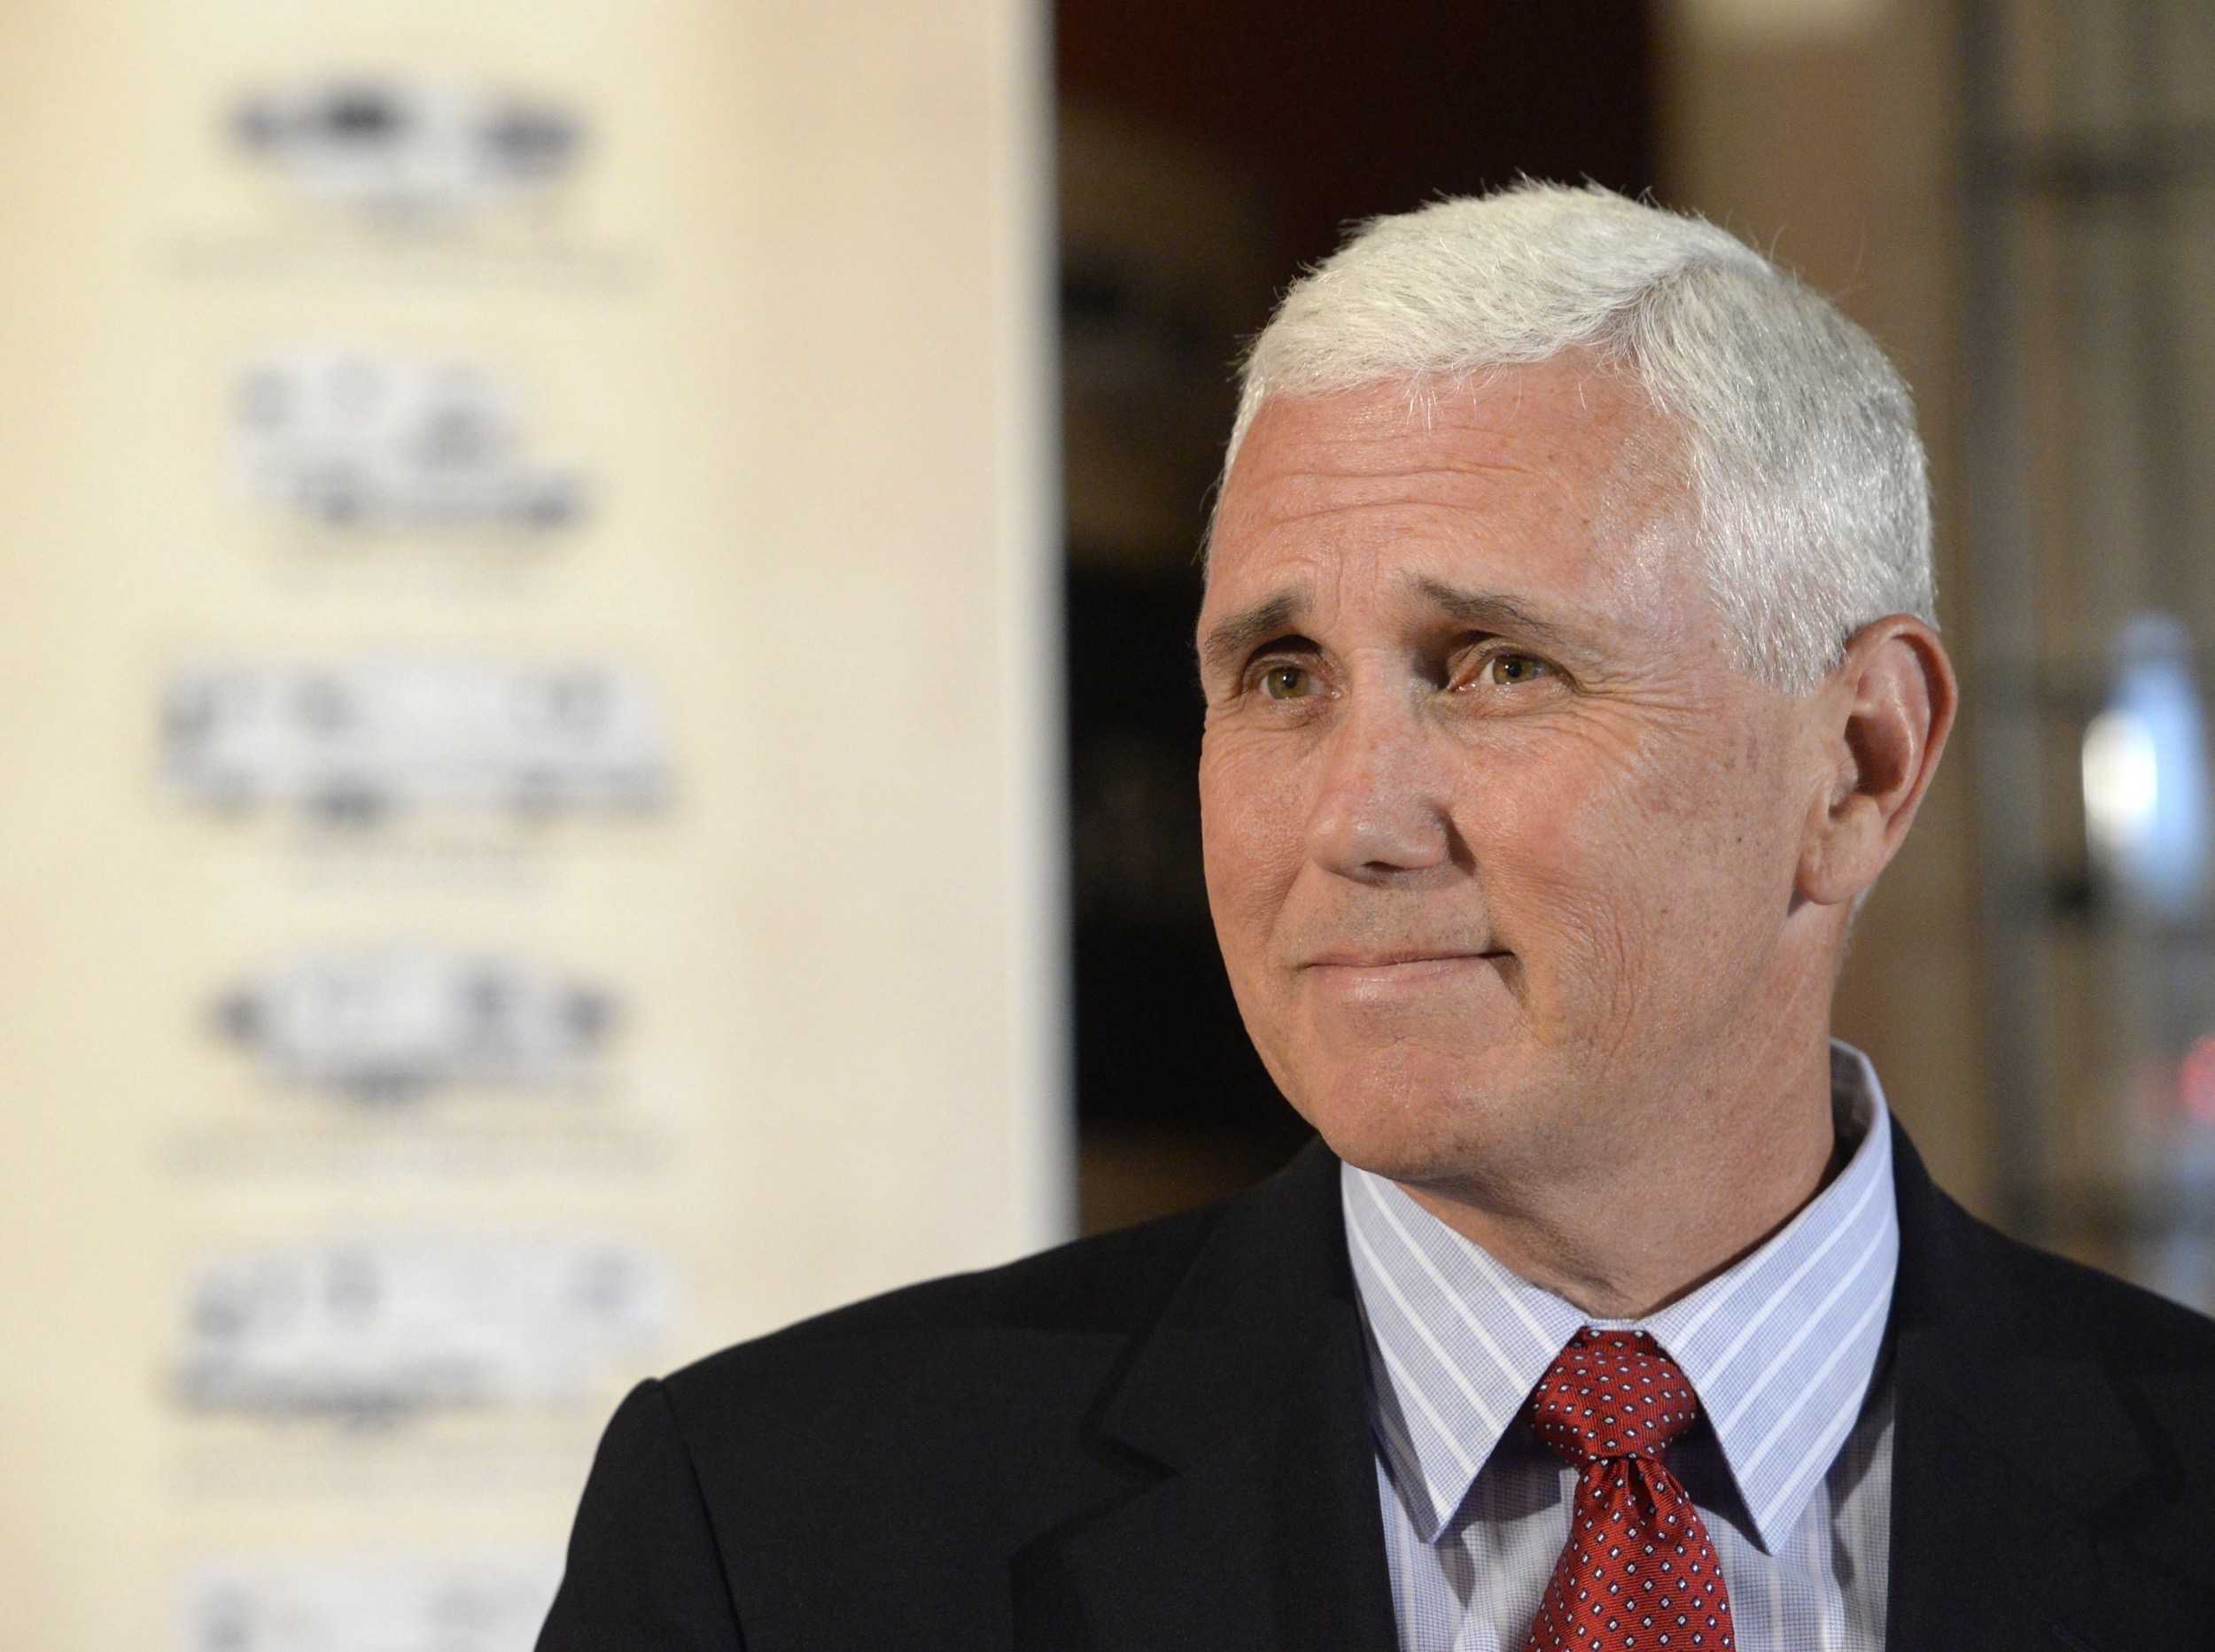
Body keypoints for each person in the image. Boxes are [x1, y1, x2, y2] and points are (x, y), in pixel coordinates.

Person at [537, 184, 2215, 1651]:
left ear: (1858, 764)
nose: (1349, 821)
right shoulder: (778, 1533)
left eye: (1494, 667)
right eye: (1282, 676)